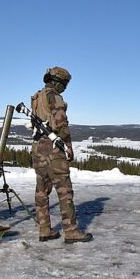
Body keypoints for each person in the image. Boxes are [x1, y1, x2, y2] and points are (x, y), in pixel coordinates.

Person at [30, 66, 92, 243]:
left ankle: (44, 229)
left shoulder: (37, 97)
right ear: (57, 82)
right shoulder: (54, 97)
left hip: (38, 148)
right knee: (64, 191)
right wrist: (68, 146)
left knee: (42, 190)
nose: (65, 88)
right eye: (64, 84)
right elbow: (61, 124)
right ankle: (71, 231)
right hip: (54, 149)